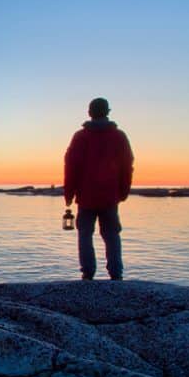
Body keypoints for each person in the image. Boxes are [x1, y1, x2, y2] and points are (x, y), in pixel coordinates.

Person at [63, 97, 134, 280]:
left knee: (85, 235)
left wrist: (69, 193)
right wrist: (123, 191)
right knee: (111, 235)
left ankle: (88, 274)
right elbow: (127, 164)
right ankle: (116, 275)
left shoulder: (81, 137)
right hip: (110, 196)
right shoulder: (119, 136)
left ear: (89, 113)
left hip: (86, 196)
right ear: (108, 112)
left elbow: (71, 165)